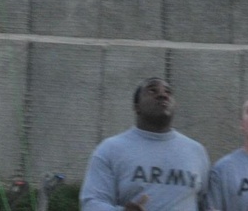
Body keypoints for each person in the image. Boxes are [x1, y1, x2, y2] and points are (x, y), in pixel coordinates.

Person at [80, 77, 210, 211]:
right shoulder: (110, 149)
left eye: (168, 92)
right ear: (136, 107)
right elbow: (91, 203)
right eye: (152, 90)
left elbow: (204, 204)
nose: (163, 95)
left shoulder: (196, 151)